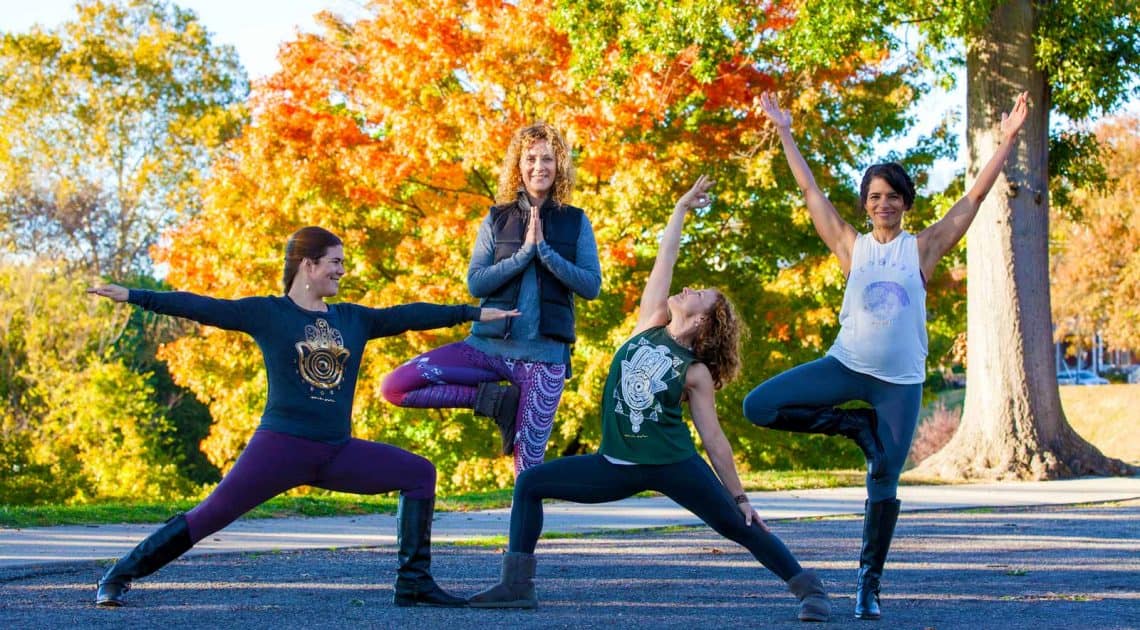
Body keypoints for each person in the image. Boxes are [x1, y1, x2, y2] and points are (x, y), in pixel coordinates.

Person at [86, 226, 518, 608]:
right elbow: (200, 306)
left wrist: (473, 312)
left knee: (419, 473)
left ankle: (414, 584)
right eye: (335, 262)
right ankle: (117, 577)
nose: (342, 271)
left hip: (336, 451)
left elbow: (408, 315)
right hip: (280, 449)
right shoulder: (268, 313)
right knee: (207, 517)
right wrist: (135, 296)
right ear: (308, 265)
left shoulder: (353, 319)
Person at [466, 176, 832, 622]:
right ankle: (516, 584)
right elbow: (666, 258)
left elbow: (714, 439)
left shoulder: (694, 371)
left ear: (703, 322)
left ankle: (809, 589)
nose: (688, 288)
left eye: (698, 294)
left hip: (675, 465)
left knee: (740, 528)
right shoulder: (648, 326)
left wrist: (739, 497)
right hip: (614, 465)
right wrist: (679, 210)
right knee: (530, 483)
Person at [745, 91, 1030, 620]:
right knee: (758, 406)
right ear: (865, 203)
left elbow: (972, 200)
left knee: (884, 480)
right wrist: (784, 129)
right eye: (875, 197)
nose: (883, 204)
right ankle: (853, 427)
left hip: (898, 384)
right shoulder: (851, 246)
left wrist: (1008, 139)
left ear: (905, 202)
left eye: (892, 196)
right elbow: (808, 189)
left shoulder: (921, 248)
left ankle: (868, 585)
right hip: (845, 368)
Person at [381, 122, 602, 474]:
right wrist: (522, 256)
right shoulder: (497, 219)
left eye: (547, 158)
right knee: (396, 386)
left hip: (544, 360)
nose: (538, 167)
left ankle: (524, 531)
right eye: (530, 158)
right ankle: (498, 402)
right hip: (486, 350)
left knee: (527, 471)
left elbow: (591, 286)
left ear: (559, 165)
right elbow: (476, 283)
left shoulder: (576, 222)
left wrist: (545, 253)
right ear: (518, 164)